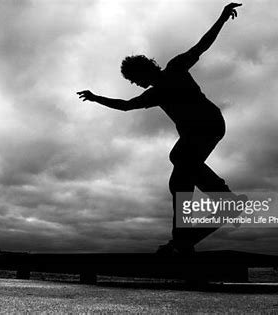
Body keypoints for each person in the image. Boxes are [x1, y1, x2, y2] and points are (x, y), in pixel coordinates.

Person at [78, 3, 245, 255]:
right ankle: (182, 241)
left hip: (210, 124)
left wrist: (221, 18)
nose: (136, 84)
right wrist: (96, 97)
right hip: (194, 134)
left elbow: (202, 45)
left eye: (135, 79)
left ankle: (224, 199)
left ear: (145, 70)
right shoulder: (152, 95)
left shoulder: (176, 68)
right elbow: (125, 106)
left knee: (179, 159)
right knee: (180, 179)